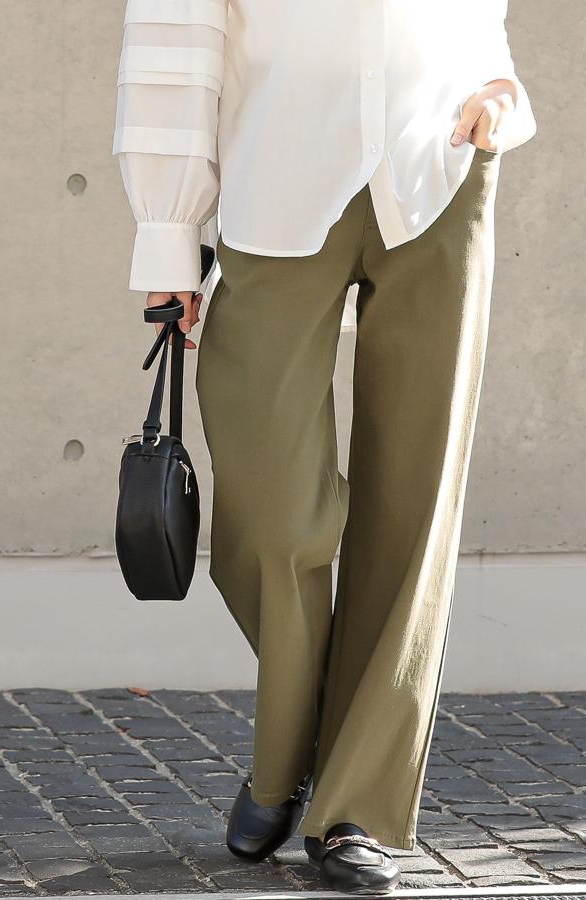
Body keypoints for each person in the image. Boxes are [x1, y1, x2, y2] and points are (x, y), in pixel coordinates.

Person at [113, 0, 536, 892]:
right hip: (278, 181)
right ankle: (294, 748)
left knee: (414, 503)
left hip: (440, 172)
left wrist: (496, 87)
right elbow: (173, 37)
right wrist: (168, 233)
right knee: (271, 513)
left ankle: (355, 807)